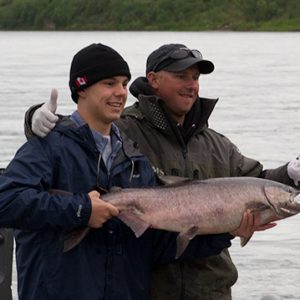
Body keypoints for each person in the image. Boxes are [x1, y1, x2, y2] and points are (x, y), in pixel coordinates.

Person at [23, 43, 295, 300]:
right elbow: (80, 129)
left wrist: (291, 174)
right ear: (153, 79)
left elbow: (257, 183)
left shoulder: (216, 144)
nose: (191, 85)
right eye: (181, 76)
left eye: (196, 78)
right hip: (150, 287)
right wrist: (35, 119)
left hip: (211, 288)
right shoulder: (125, 128)